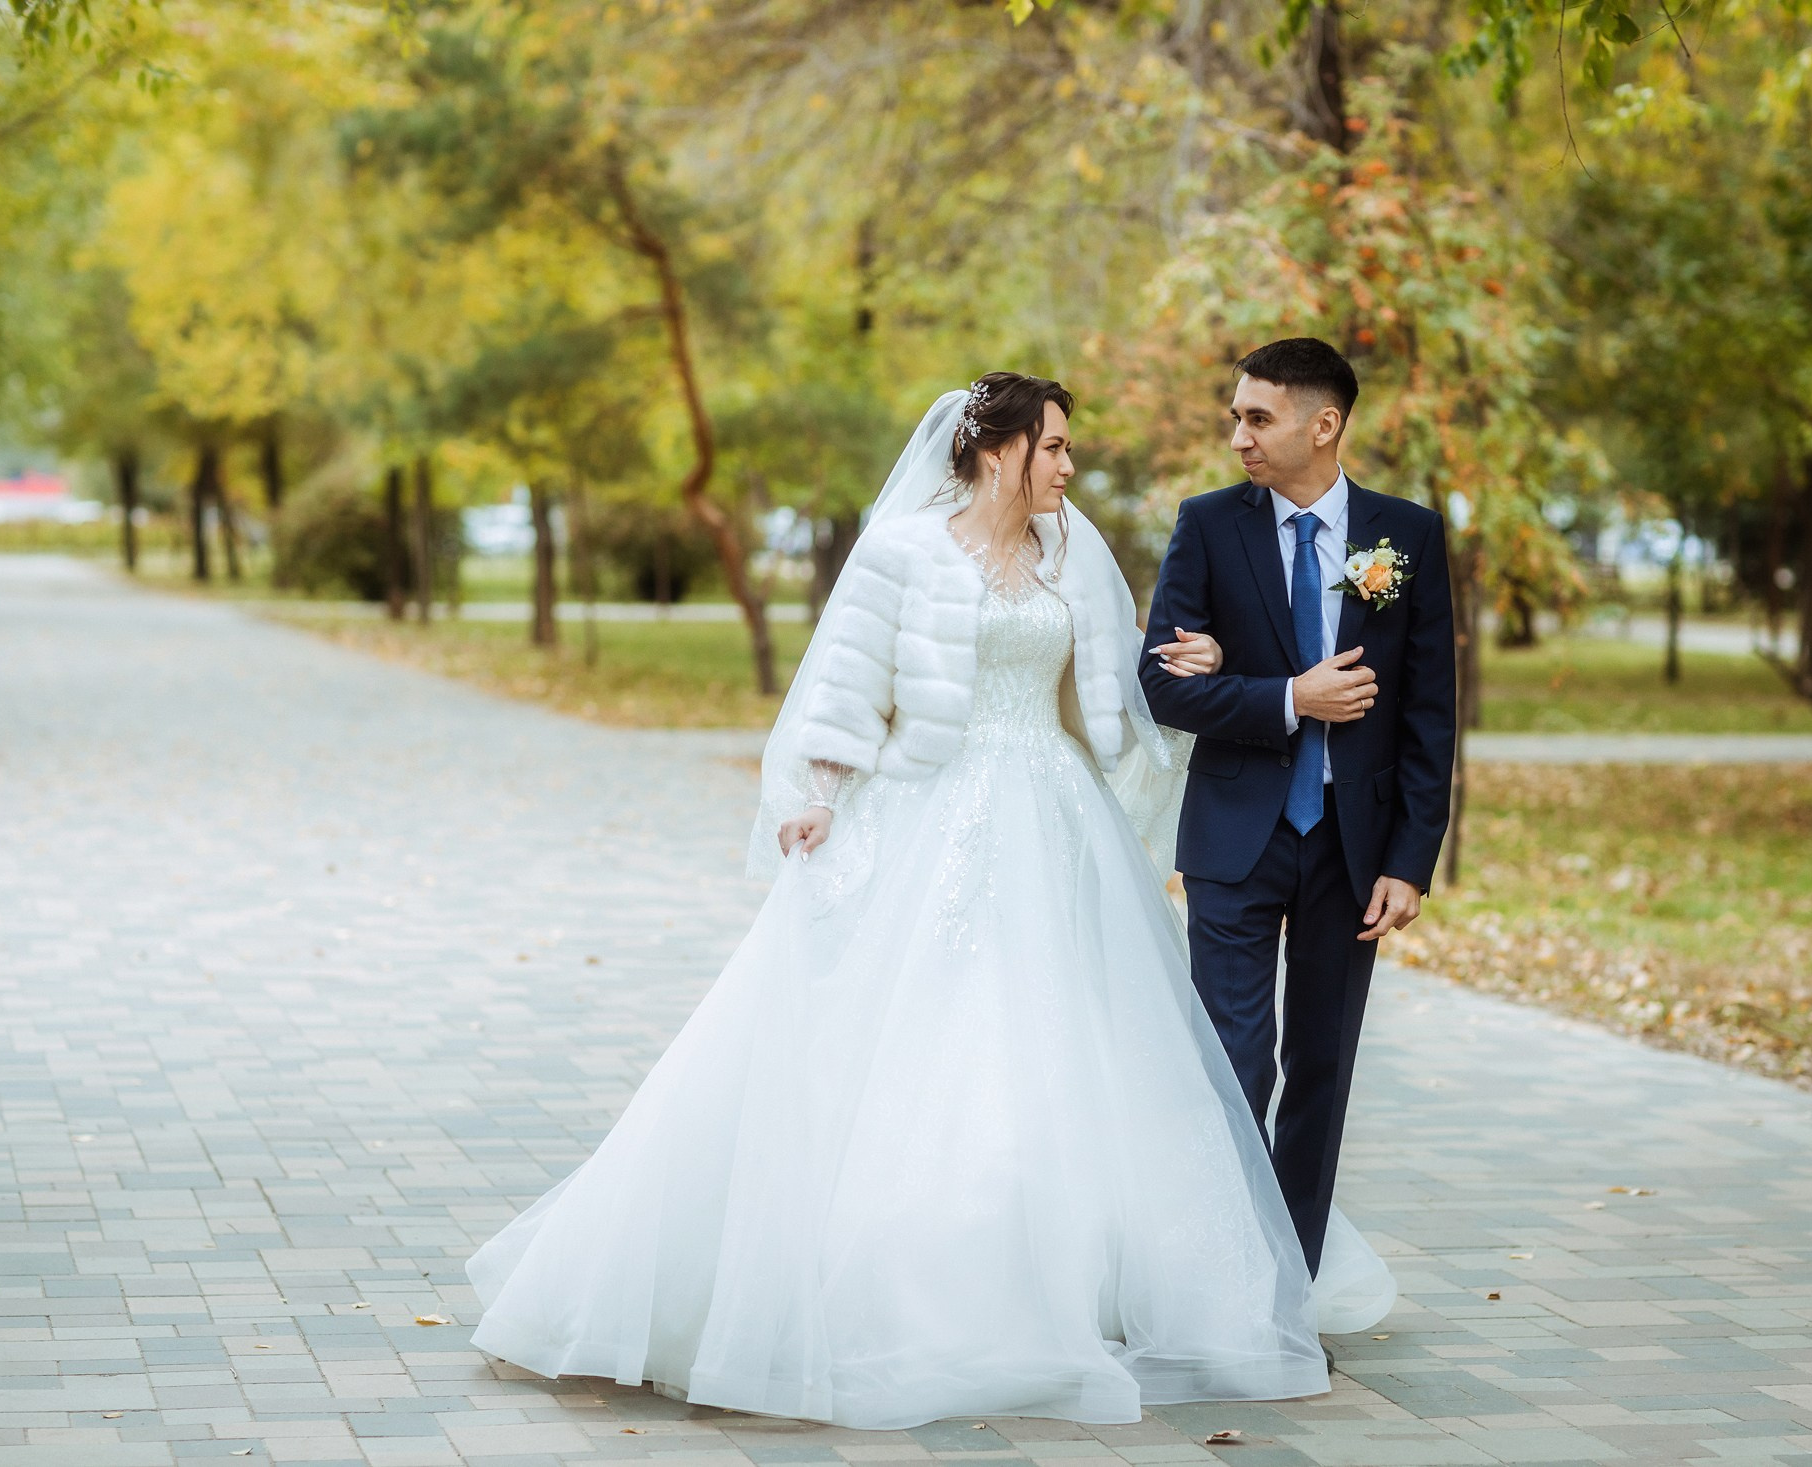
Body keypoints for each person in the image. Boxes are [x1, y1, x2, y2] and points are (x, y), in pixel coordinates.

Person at [465, 375, 1393, 1431]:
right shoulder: (903, 552)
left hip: (1052, 814)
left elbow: (1118, 698)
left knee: (1071, 1047)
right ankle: (918, 1290)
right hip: (927, 808)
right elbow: (840, 687)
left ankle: (1078, 1278)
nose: (1068, 468)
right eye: (1053, 449)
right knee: (928, 1041)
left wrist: (1202, 667)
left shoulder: (1068, 553)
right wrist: (813, 795)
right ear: (997, 451)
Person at [1139, 338, 1457, 1283]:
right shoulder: (1206, 526)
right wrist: (1288, 697)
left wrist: (1410, 857)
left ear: (1324, 425)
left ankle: (1289, 1291)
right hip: (1237, 839)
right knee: (1234, 1066)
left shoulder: (1406, 537)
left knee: (1320, 1074)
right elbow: (1164, 687)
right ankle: (1220, 1282)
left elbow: (1427, 713)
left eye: (1256, 416)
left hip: (1355, 855)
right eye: (1236, 415)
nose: (1237, 434)